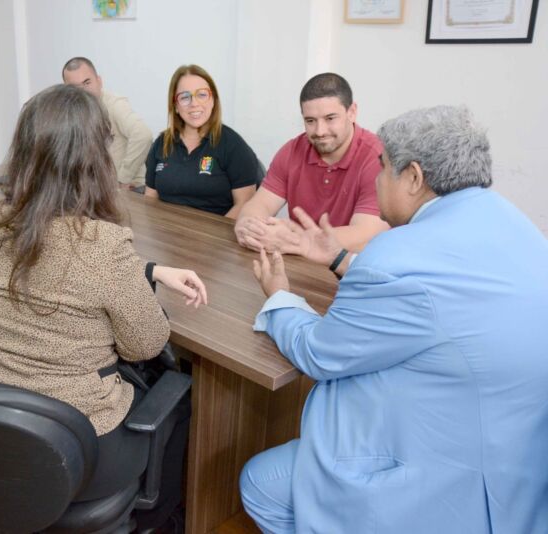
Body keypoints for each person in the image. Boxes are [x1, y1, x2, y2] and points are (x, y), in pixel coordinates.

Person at [240, 105, 548, 533]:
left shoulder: (399, 253)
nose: (376, 179)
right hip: (521, 468)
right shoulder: (519, 226)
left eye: (383, 168)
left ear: (415, 178)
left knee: (259, 481)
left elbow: (319, 354)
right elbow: (437, 298)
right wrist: (338, 256)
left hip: (445, 477)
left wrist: (279, 298)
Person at [0, 84, 207, 530]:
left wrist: (148, 269)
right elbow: (146, 345)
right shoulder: (101, 244)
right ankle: (158, 521)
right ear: (94, 157)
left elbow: (55, 269)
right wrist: (134, 277)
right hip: (74, 443)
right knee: (182, 397)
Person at [235, 73, 388, 252]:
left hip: (351, 269)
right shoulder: (292, 150)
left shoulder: (378, 158)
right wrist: (247, 226)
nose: (320, 131)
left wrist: (292, 240)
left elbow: (364, 235)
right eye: (310, 121)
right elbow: (260, 204)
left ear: (352, 112)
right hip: (298, 261)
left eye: (330, 118)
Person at [144, 64, 258, 218]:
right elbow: (150, 199)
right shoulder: (161, 144)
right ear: (175, 106)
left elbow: (245, 204)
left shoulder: (233, 145)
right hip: (166, 234)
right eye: (185, 97)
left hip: (215, 237)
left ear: (213, 100)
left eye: (202, 95)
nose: (194, 103)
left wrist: (213, 238)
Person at [62, 56, 153, 190]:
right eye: (75, 88)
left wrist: (123, 179)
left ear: (99, 81)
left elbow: (143, 135)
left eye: (87, 83)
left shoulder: (115, 105)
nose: (83, 92)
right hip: (98, 193)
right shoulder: (69, 115)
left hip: (130, 190)